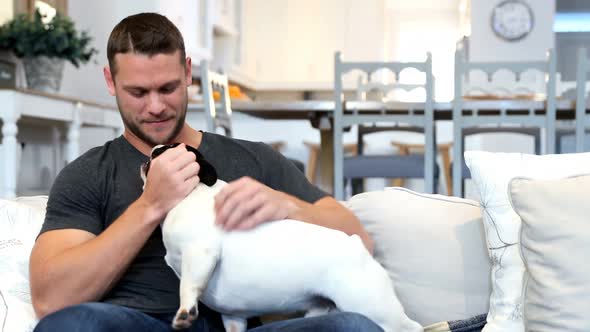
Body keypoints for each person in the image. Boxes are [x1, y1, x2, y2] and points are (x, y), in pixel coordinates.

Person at [30, 12, 379, 332]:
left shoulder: (253, 159)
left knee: (354, 327)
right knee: (69, 326)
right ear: (111, 81)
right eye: (138, 92)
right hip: (137, 324)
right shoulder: (90, 173)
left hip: (241, 326)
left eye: (167, 88)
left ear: (187, 73)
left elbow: (358, 241)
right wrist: (150, 205)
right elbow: (51, 299)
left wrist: (290, 206)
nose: (155, 107)